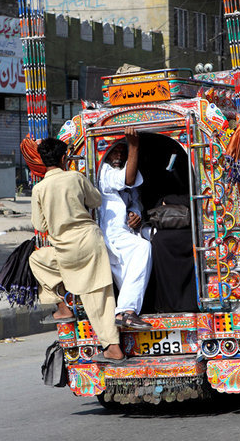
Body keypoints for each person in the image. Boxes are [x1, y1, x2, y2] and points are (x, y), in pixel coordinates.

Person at [28, 137, 126, 364]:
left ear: (43, 161)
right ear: (64, 159)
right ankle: (112, 347)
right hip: (89, 242)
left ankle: (62, 306)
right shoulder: (75, 177)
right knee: (99, 298)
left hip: (64, 249)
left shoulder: (39, 188)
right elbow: (96, 201)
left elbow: (40, 226)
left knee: (37, 260)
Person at [98, 127, 153, 330]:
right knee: (142, 248)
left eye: (123, 150)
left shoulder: (122, 172)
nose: (119, 154)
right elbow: (127, 180)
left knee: (157, 239)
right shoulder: (105, 172)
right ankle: (126, 312)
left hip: (127, 231)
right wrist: (134, 146)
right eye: (115, 150)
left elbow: (135, 201)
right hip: (111, 235)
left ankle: (139, 306)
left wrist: (135, 215)